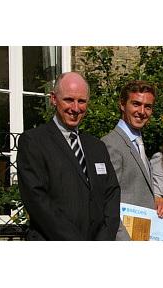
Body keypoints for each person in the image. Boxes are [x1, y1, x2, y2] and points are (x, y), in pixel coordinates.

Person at [17, 72, 120, 240]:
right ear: (53, 99)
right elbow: (37, 201)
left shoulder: (97, 147)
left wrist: (105, 237)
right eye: (69, 100)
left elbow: (112, 193)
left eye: (81, 101)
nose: (75, 108)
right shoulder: (34, 142)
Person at [102, 80, 157, 240]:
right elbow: (107, 201)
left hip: (143, 234)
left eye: (148, 106)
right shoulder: (111, 144)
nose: (142, 111)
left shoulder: (138, 143)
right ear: (122, 105)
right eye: (136, 104)